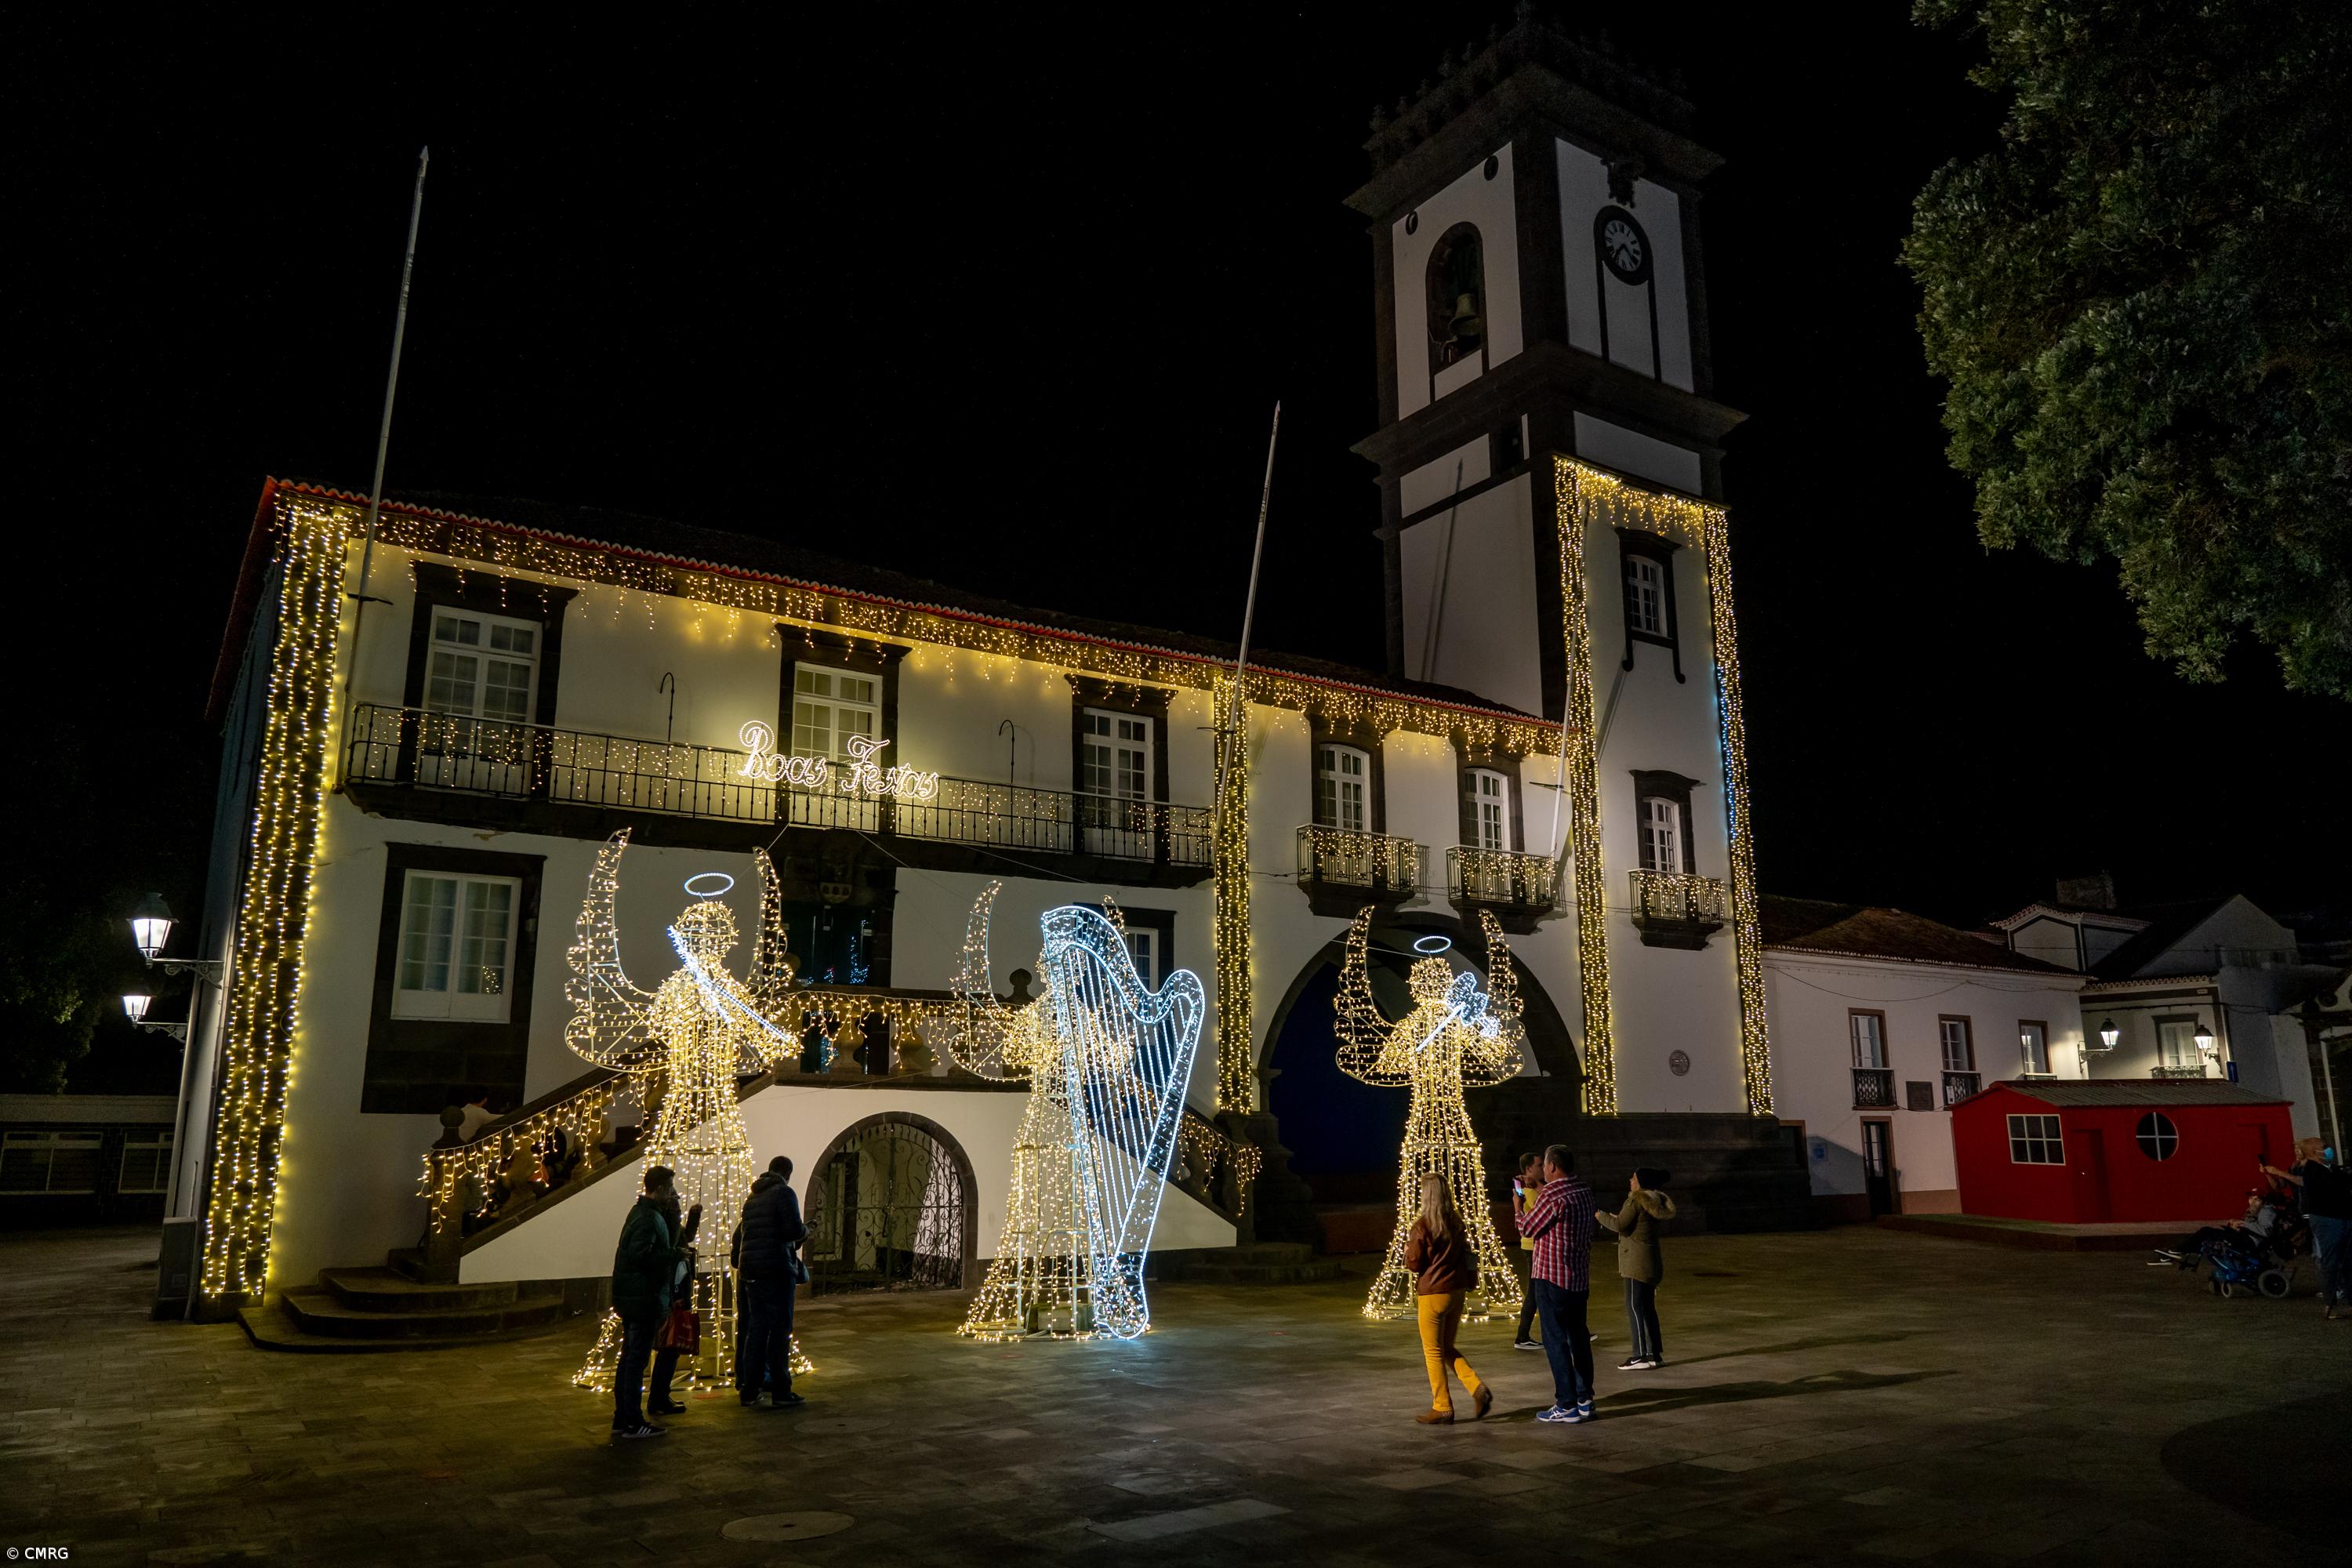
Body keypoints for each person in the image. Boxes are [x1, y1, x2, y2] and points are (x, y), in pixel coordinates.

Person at [610, 1166, 697, 1440]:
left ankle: (623, 1418)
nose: (672, 1194)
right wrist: (673, 1255)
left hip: (636, 1296)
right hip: (642, 1298)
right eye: (670, 1189)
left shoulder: (645, 1214)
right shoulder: (649, 1218)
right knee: (635, 1361)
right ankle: (632, 1422)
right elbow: (640, 1255)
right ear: (659, 1189)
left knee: (630, 1360)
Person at [1515, 1143, 1598, 1425]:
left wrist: (1518, 1208)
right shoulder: (1583, 1191)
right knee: (1579, 1338)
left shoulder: (1551, 1194)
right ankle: (1585, 1398)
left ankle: (1566, 1404)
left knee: (1555, 1341)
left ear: (1552, 1166)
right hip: (1578, 1277)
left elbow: (1528, 1228)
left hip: (1551, 1278)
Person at [1402, 1172, 1490, 1424]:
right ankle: (1476, 1388)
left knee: (1432, 1351)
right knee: (1447, 1347)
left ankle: (1442, 1406)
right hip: (1456, 1291)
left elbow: (1416, 1264)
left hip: (1433, 1295)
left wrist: (1408, 1252)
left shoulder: (1422, 1226)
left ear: (1426, 1195)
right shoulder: (1456, 1221)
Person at [735, 1155, 807, 1409]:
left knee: (756, 1331)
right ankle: (781, 1391)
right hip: (776, 1269)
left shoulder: (753, 1197)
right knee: (779, 1331)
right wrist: (806, 1231)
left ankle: (750, 1389)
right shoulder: (784, 1194)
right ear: (787, 1173)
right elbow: (792, 1231)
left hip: (751, 1271)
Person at [2263, 1138, 2350, 1319]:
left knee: (2347, 1260)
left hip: (2342, 1217)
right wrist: (2272, 1173)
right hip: (2327, 1219)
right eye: (2323, 1148)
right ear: (2312, 1152)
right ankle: (2330, 1302)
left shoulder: (2329, 1168)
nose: (2327, 1150)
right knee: (2330, 1260)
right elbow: (2294, 1183)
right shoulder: (2309, 1169)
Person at [1598, 1167, 1675, 1370]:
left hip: (1635, 1262)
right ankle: (1653, 1354)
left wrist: (1600, 1216)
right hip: (1650, 1261)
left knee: (1634, 1307)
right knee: (1648, 1308)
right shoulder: (1652, 1200)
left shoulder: (1636, 1200)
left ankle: (1640, 1355)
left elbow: (1620, 1225)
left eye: (1633, 1178)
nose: (1630, 1181)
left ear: (1641, 1182)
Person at [648, 1185, 702, 1418]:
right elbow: (672, 1250)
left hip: (677, 1291)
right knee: (668, 1349)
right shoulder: (663, 1226)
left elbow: (686, 1237)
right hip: (673, 1293)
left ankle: (661, 1395)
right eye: (676, 1204)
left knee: (670, 1350)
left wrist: (694, 1217)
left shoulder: (671, 1227)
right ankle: (658, 1398)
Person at [2151, 1189, 2279, 1269]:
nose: (2252, 1202)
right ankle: (2173, 1253)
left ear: (2263, 1201)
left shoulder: (2267, 1211)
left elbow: (2265, 1231)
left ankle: (2176, 1251)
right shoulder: (2253, 1211)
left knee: (2206, 1232)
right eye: (2251, 1198)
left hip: (2251, 1242)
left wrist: (2242, 1224)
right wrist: (2236, 1226)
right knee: (2206, 1237)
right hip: (2244, 1237)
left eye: (2257, 1199)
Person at [1509, 1152, 1543, 1351]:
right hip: (1534, 1246)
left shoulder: (1528, 1188)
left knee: (1538, 1292)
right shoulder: (1531, 1191)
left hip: (1532, 1246)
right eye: (1538, 1165)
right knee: (1536, 1292)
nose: (1542, 1168)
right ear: (1529, 1169)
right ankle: (1522, 1336)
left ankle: (1523, 1336)